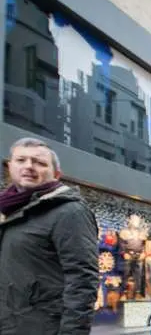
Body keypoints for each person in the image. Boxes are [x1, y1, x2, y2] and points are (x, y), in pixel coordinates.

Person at [0, 137, 99, 335]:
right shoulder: (8, 212)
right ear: (9, 166)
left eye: (39, 162)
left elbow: (82, 281)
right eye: (21, 160)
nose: (29, 166)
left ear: (56, 174)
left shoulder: (70, 212)